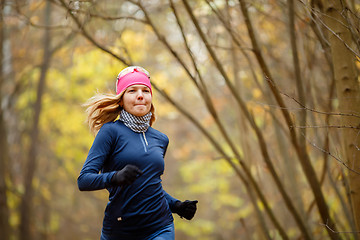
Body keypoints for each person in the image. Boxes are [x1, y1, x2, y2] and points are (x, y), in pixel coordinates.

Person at [77, 66, 198, 240]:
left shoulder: (161, 139)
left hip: (160, 227)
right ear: (121, 100)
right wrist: (115, 177)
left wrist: (176, 205)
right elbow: (84, 180)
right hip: (119, 231)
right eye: (132, 90)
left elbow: (149, 185)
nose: (140, 95)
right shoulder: (110, 132)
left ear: (151, 98)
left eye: (145, 90)